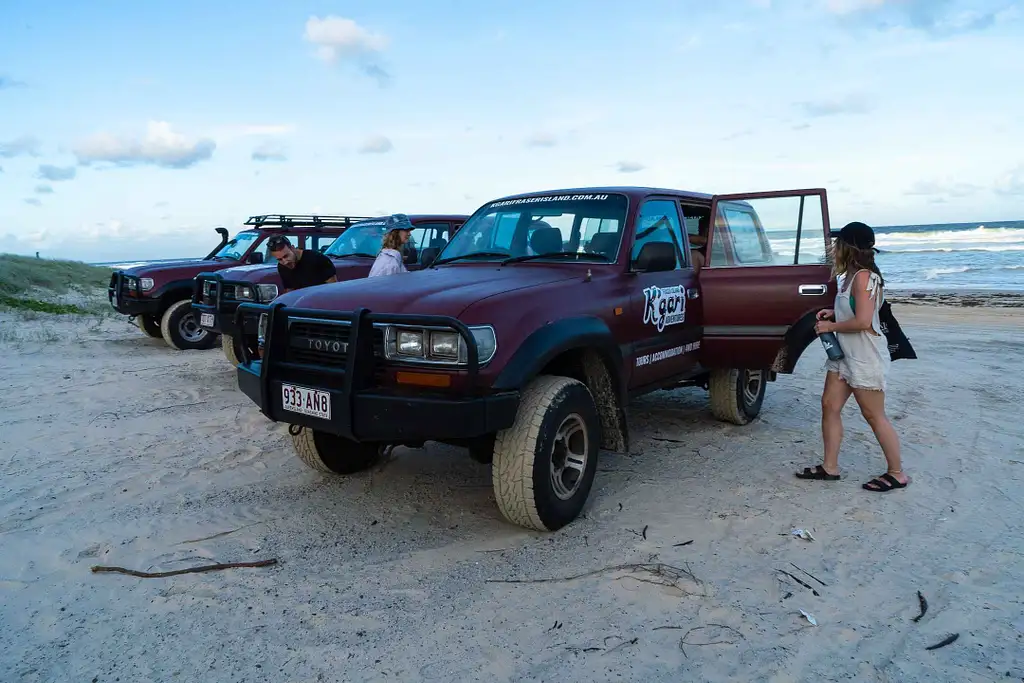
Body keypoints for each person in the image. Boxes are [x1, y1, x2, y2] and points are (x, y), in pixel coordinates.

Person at [796, 221, 908, 492]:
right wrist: (833, 314)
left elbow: (863, 322)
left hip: (864, 356)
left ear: (847, 246)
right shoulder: (849, 276)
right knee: (829, 406)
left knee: (873, 415)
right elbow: (855, 313)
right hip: (844, 355)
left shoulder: (864, 278)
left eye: (838, 243)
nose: (833, 247)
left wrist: (830, 326)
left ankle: (897, 473)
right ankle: (830, 467)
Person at [268, 235, 337, 294]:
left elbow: (333, 288)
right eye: (280, 259)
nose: (285, 262)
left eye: (286, 256)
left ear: (293, 248)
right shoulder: (282, 267)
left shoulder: (317, 259)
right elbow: (289, 292)